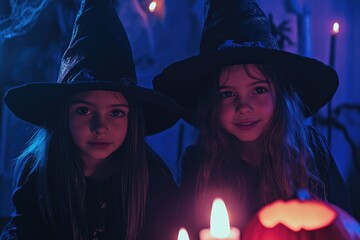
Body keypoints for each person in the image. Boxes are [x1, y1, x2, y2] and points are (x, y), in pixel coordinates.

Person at [153, 0, 353, 238]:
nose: (244, 106)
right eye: (227, 94)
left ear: (280, 95)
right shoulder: (198, 163)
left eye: (258, 90)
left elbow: (343, 222)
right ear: (210, 106)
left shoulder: (311, 152)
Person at [0, 0, 182, 239]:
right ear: (63, 116)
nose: (100, 127)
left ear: (133, 119)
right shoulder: (41, 178)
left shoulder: (152, 179)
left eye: (116, 112)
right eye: (84, 110)